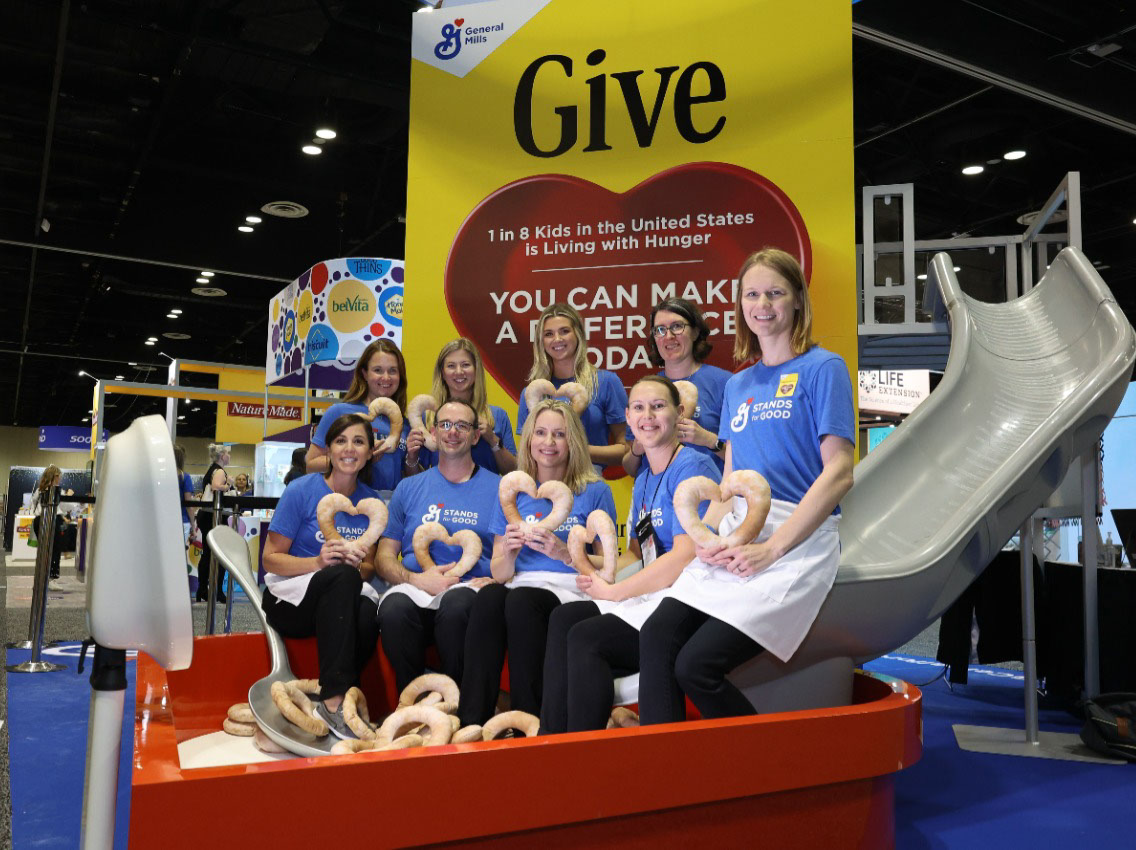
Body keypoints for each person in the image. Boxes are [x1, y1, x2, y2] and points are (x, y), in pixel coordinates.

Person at [637, 247, 855, 724]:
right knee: (657, 635)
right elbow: (729, 484)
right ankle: (662, 774)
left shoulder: (823, 368)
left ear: (797, 299)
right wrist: (706, 538)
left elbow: (839, 472)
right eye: (752, 294)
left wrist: (772, 549)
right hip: (736, 532)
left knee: (697, 666)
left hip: (794, 537)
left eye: (775, 293)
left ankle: (765, 769)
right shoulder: (738, 385)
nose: (763, 304)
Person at [540, 376, 720, 733]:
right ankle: (552, 738)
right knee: (564, 618)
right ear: (627, 415)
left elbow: (684, 554)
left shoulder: (692, 467)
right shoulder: (644, 481)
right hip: (654, 593)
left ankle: (583, 748)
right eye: (638, 407)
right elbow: (635, 555)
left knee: (586, 637)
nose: (647, 416)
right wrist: (570, 556)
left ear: (679, 412)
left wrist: (615, 592)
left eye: (658, 406)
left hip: (689, 597)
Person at [457, 399, 617, 729]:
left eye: (559, 434)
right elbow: (499, 573)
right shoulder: (513, 492)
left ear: (572, 440)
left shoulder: (594, 490)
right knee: (488, 598)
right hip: (519, 584)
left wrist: (565, 552)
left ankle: (529, 723)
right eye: (541, 433)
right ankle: (471, 721)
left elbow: (609, 564)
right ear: (529, 439)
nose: (548, 442)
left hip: (569, 590)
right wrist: (512, 551)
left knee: (521, 601)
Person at [261, 413, 382, 739]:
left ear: (370, 451)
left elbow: (369, 568)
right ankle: (333, 703)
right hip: (289, 602)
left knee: (369, 614)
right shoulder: (301, 490)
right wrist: (318, 561)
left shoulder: (371, 503)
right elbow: (270, 560)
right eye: (341, 441)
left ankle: (344, 698)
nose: (349, 449)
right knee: (341, 575)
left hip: (338, 601)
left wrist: (358, 564)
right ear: (327, 450)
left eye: (359, 441)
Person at [376, 400, 500, 692]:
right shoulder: (408, 488)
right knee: (393, 610)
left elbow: (513, 555)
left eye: (462, 426)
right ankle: (415, 701)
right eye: (445, 424)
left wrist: (495, 581)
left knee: (456, 609)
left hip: (470, 591)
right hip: (415, 586)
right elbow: (383, 557)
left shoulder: (498, 488)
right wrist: (415, 578)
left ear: (475, 436)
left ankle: (454, 702)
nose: (452, 432)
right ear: (433, 431)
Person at [623, 298, 732, 475]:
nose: (668, 336)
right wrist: (637, 449)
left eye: (677, 326)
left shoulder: (726, 384)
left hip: (707, 495)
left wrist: (708, 439)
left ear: (695, 332)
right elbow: (631, 469)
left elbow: (747, 459)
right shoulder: (645, 389)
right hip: (655, 497)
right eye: (660, 330)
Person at [515, 303, 628, 471]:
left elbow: (627, 449)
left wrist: (576, 450)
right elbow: (526, 453)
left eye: (564, 331)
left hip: (588, 485)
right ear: (541, 341)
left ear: (578, 335)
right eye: (548, 334)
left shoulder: (605, 383)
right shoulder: (533, 393)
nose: (557, 339)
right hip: (543, 487)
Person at [306, 339, 409, 493]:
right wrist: (356, 458)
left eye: (393, 370)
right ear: (364, 374)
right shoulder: (339, 412)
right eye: (378, 370)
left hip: (391, 505)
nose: (386, 377)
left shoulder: (404, 424)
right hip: (347, 502)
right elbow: (311, 464)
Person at [406, 338, 518, 475]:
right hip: (440, 496)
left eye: (465, 365)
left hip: (487, 495)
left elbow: (513, 471)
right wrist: (411, 457)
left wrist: (492, 439)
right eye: (451, 366)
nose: (459, 372)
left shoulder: (497, 416)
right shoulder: (428, 418)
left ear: (476, 370)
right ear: (442, 372)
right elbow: (416, 478)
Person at [196, 460, 229, 603]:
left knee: (207, 554)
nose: (229, 455)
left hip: (206, 515)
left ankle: (203, 589)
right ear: (222, 455)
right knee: (219, 554)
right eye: (227, 453)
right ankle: (217, 591)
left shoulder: (211, 470)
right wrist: (228, 486)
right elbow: (216, 487)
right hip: (213, 516)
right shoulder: (220, 471)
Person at [31, 465, 68, 590]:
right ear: (55, 476)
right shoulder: (57, 490)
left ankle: (41, 578)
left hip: (38, 520)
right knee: (54, 550)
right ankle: (51, 579)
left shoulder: (40, 489)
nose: (60, 479)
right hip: (52, 520)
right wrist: (68, 495)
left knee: (43, 551)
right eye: (59, 476)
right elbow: (65, 506)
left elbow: (33, 503)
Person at [173, 445, 197, 578]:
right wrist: (193, 525)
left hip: (166, 520)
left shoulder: (163, 477)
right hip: (182, 520)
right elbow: (189, 503)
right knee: (180, 555)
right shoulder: (184, 477)